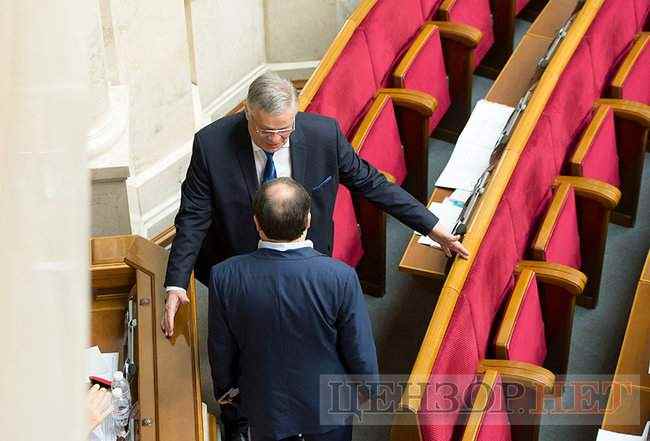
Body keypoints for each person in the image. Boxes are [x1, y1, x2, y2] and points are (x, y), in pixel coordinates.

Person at [161, 71, 468, 440]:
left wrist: (432, 227)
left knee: (314, 348)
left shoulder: (323, 135)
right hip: (243, 277)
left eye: (285, 131)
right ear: (247, 114)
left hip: (308, 271)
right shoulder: (211, 146)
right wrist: (176, 282)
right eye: (265, 132)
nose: (276, 141)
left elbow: (371, 182)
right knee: (250, 359)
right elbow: (193, 217)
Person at [208, 178, 378, 441]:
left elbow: (221, 348)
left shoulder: (224, 276)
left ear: (256, 223)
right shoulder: (340, 277)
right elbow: (358, 346)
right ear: (308, 220)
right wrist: (369, 390)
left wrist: (227, 393)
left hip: (264, 409)